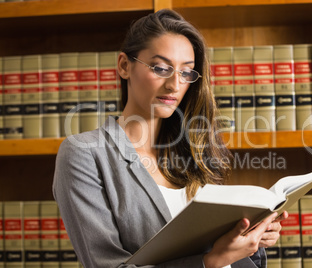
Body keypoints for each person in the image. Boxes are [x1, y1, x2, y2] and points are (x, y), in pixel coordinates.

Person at [53, 9, 287, 268]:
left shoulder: (193, 150)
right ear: (124, 65)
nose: (175, 85)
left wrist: (249, 238)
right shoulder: (84, 153)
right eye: (161, 68)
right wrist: (211, 262)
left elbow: (226, 254)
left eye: (186, 72)